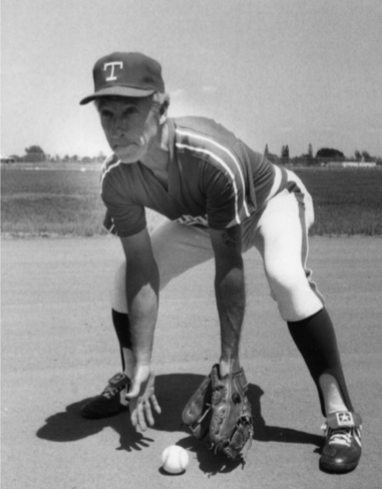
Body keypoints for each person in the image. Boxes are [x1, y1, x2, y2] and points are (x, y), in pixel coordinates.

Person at [79, 52, 362, 473]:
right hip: (202, 222)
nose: (117, 126)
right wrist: (143, 357)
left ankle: (341, 416)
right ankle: (130, 378)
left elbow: (229, 265)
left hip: (270, 206)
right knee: (123, 280)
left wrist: (228, 367)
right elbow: (142, 266)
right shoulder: (116, 176)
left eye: (130, 110)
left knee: (286, 280)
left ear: (161, 106)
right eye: (107, 113)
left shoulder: (212, 157)